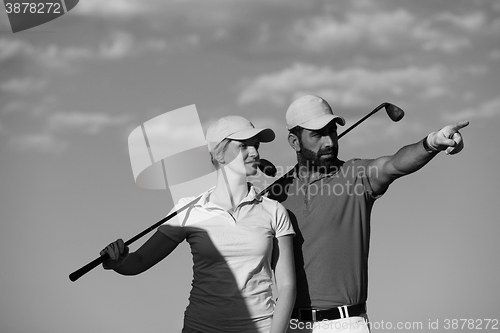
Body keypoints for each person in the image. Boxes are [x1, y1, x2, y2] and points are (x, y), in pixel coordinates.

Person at [265, 95, 469, 333]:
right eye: (318, 135)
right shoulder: (274, 196)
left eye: (332, 131)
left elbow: (395, 164)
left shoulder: (356, 175)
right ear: (294, 141)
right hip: (290, 325)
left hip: (345, 324)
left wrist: (431, 143)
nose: (330, 141)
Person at [101, 115, 296, 333]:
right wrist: (117, 261)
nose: (255, 153)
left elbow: (287, 286)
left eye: (256, 146)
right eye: (244, 146)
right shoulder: (189, 210)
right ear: (220, 154)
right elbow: (139, 261)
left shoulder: (273, 210)